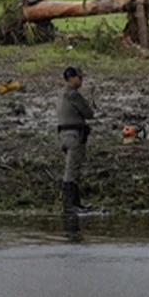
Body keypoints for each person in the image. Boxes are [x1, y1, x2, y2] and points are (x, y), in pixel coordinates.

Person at [57, 66, 95, 213]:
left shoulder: (61, 93)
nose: (81, 81)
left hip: (63, 135)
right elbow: (88, 113)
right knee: (72, 170)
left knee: (72, 168)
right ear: (72, 78)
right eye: (80, 78)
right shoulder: (73, 94)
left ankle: (75, 204)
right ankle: (70, 205)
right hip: (74, 136)